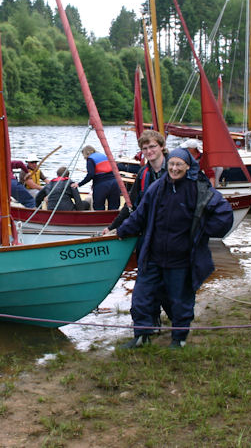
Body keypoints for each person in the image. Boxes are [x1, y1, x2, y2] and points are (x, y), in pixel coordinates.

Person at [115, 147, 233, 349]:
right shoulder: (157, 188)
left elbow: (225, 215)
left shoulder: (200, 189)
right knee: (141, 297)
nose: (174, 168)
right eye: (171, 164)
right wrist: (120, 231)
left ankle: (179, 338)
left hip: (182, 259)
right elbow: (139, 215)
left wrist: (202, 230)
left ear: (188, 166)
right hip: (153, 255)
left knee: (180, 300)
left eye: (179, 164)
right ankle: (142, 335)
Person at [104, 130, 167, 234]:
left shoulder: (174, 168)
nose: (149, 151)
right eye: (145, 148)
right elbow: (131, 202)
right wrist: (112, 227)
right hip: (151, 225)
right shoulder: (143, 173)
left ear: (161, 146)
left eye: (152, 146)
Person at [76, 145, 121, 211]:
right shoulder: (104, 156)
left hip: (102, 185)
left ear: (86, 154)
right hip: (114, 183)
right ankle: (113, 220)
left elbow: (90, 174)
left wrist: (79, 184)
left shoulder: (90, 159)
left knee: (98, 207)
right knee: (114, 207)